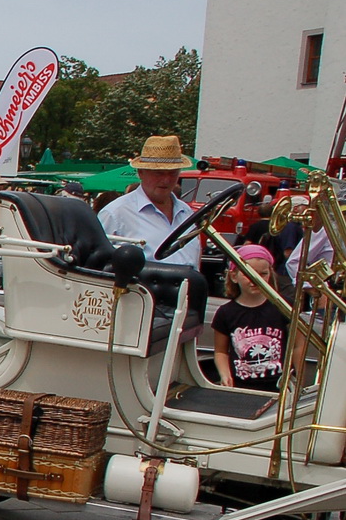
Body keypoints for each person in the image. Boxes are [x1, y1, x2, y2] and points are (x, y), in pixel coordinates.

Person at [98, 135, 199, 270]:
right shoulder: (115, 214)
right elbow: (97, 266)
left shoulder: (186, 212)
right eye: (159, 173)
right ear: (141, 173)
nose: (166, 180)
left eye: (173, 173)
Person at [212, 244, 285, 392]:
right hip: (241, 387)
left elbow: (297, 346)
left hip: (278, 386)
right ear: (234, 276)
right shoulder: (226, 313)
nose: (255, 279)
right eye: (248, 274)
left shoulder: (283, 307)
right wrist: (225, 375)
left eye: (263, 274)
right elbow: (220, 351)